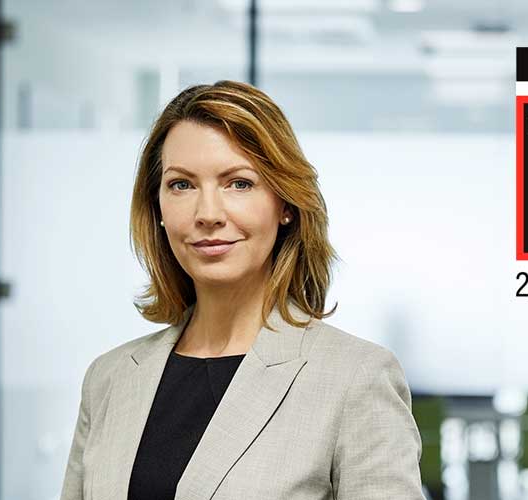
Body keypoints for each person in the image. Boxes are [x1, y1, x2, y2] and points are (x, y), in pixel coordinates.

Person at [58, 80, 424, 500]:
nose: (208, 214)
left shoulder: (354, 378)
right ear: (156, 207)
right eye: (182, 185)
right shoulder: (110, 378)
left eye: (239, 183)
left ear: (285, 204)